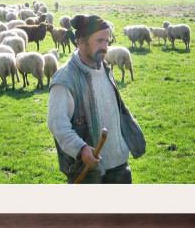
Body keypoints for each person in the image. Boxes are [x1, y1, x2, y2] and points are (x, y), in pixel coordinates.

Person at [47, 14, 146, 184]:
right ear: (80, 40)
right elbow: (58, 125)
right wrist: (81, 149)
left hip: (119, 165)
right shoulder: (65, 80)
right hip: (89, 172)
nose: (104, 47)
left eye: (107, 41)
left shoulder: (104, 68)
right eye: (99, 41)